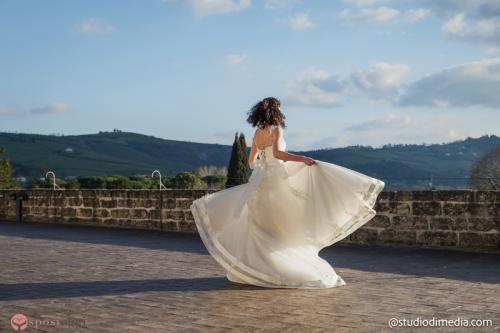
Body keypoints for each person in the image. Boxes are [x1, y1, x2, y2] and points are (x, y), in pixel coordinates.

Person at [190, 97, 385, 289]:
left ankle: (260, 269)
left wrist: (262, 167)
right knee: (282, 227)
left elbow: (250, 162)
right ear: (277, 111)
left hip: (259, 184)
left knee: (261, 227)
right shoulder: (276, 129)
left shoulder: (257, 132)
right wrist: (302, 159)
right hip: (276, 182)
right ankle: (281, 270)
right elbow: (278, 155)